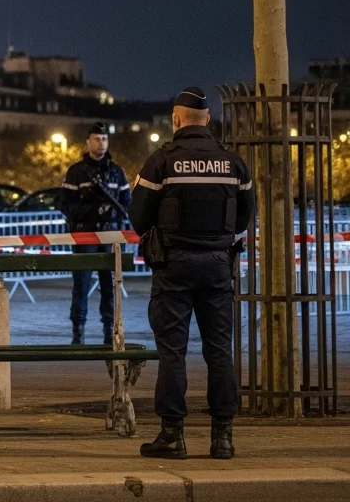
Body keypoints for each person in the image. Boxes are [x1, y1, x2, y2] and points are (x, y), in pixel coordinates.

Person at [129, 87, 254, 461]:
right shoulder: (233, 164)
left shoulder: (161, 162)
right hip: (218, 266)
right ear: (208, 120)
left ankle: (172, 436)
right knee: (219, 352)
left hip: (174, 267)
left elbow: (138, 218)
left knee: (173, 354)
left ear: (176, 120)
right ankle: (223, 438)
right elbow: (244, 217)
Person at [56, 123, 131, 345]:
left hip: (110, 235)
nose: (101, 143)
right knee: (82, 284)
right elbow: (63, 203)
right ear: (88, 142)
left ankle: (109, 330)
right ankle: (78, 331)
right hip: (85, 235)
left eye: (104, 139)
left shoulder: (116, 172)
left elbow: (127, 203)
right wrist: (90, 207)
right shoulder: (77, 171)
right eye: (97, 139)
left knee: (110, 286)